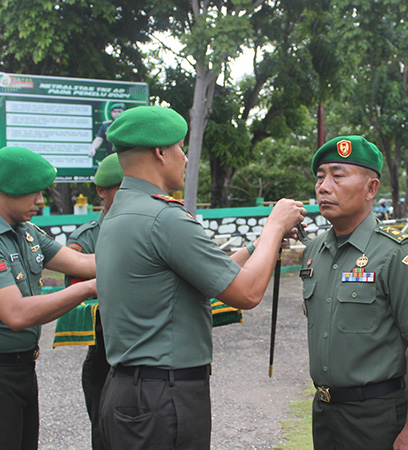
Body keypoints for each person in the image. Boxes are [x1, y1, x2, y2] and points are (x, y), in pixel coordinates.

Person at [95, 106, 305, 450]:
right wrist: (274, 225)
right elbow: (247, 293)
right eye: (180, 148)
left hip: (128, 390)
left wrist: (260, 245)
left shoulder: (122, 212)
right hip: (162, 398)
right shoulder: (164, 218)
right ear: (160, 153)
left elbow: (213, 272)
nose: (186, 159)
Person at [0, 146, 97, 449]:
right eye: (33, 192)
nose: (40, 201)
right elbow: (16, 313)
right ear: (6, 189)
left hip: (21, 370)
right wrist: (90, 288)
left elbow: (83, 263)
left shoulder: (26, 232)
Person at [300, 135, 408, 450]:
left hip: (377, 416)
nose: (324, 187)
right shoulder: (313, 251)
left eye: (337, 176)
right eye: (320, 177)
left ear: (371, 188)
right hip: (325, 412)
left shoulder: (395, 253)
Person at [62, 153, 123, 450]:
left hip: (147, 357)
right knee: (105, 437)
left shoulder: (151, 225)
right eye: (120, 188)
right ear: (102, 191)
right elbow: (79, 299)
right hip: (105, 355)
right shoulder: (85, 239)